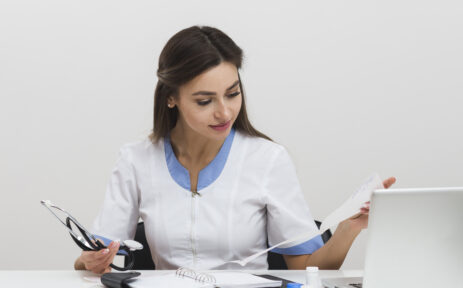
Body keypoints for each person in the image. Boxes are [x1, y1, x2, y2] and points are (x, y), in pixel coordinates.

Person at [74, 25, 396, 274]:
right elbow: (92, 259)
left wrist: (348, 229)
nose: (225, 112)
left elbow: (308, 270)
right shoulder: (136, 160)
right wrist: (90, 261)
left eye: (232, 93)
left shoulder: (267, 160)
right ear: (171, 97)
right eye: (205, 101)